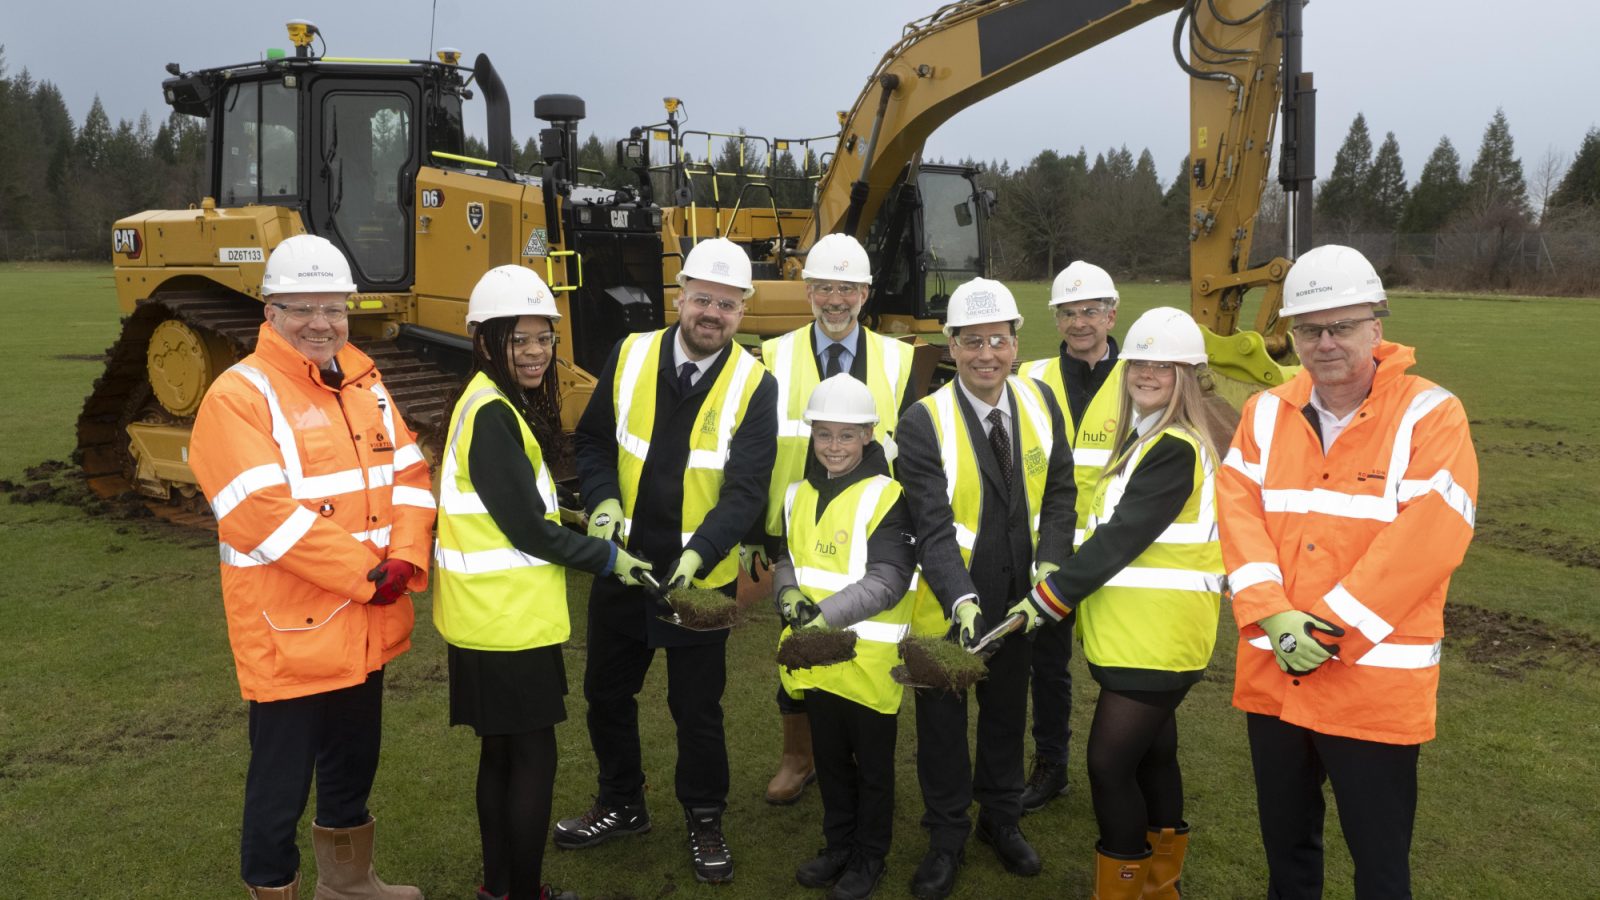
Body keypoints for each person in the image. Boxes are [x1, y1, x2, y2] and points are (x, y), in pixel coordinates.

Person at [1219, 245, 1478, 899]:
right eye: (1309, 329)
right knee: (1288, 857)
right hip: (1276, 677)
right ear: (1293, 336)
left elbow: (1429, 538)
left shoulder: (1431, 414)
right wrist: (1273, 613)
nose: (1325, 342)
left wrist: (1326, 630)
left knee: (1381, 867)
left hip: (1373, 692)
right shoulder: (1266, 412)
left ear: (1377, 327)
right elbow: (1239, 513)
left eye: (1341, 326)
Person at [189, 234, 435, 900]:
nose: (320, 323)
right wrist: (367, 574)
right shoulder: (238, 396)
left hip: (365, 622)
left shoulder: (365, 381)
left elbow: (409, 473)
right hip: (290, 631)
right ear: (270, 314)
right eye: (302, 308)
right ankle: (273, 888)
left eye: (333, 307)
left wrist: (408, 556)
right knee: (280, 785)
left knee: (353, 765)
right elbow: (262, 516)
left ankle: (348, 884)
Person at [553, 237, 779, 885]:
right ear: (680, 296)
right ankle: (622, 803)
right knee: (605, 694)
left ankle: (704, 816)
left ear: (742, 311)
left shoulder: (755, 386)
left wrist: (699, 555)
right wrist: (599, 504)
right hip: (622, 570)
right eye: (703, 298)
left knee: (697, 710)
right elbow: (593, 441)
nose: (712, 313)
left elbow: (745, 490)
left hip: (697, 585)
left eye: (727, 304)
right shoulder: (629, 353)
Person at [433, 266, 653, 900]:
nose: (534, 353)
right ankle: (522, 893)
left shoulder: (487, 400)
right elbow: (527, 531)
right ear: (484, 340)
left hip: (486, 621)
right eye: (518, 339)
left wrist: (579, 516)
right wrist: (610, 560)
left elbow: (514, 507)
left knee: (500, 758)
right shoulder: (494, 414)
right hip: (507, 626)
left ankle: (499, 890)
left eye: (543, 339)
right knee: (529, 762)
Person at [1016, 307, 1237, 898]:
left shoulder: (1174, 449)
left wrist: (1050, 596)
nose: (1146, 373)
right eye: (1139, 363)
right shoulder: (1148, 439)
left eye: (1162, 366)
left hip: (1157, 641)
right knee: (1153, 755)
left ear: (1187, 375)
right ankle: (1161, 886)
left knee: (1109, 765)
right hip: (1142, 637)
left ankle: (1127, 887)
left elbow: (1121, 537)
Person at [894, 278, 1076, 900]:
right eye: (972, 342)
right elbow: (932, 526)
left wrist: (1051, 565)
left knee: (1005, 717)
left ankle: (1001, 820)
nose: (986, 355)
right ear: (951, 344)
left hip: (1022, 603)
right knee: (942, 728)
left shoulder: (1042, 403)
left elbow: (1059, 496)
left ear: (1016, 343)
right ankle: (946, 835)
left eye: (997, 340)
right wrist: (963, 601)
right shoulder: (923, 420)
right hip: (949, 607)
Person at [759, 233, 918, 806]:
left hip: (870, 521)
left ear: (865, 293)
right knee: (794, 635)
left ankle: (850, 748)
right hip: (797, 516)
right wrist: (766, 525)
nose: (835, 298)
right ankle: (798, 758)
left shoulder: (899, 359)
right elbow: (760, 443)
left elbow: (910, 446)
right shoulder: (774, 354)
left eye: (847, 287)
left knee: (859, 635)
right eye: (824, 286)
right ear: (807, 291)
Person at [773, 374, 917, 900]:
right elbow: (788, 557)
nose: (834, 446)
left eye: (847, 436)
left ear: (870, 436)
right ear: (812, 435)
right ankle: (838, 845)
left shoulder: (888, 495)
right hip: (818, 661)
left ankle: (869, 856)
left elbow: (888, 579)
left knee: (873, 770)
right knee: (830, 761)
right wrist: (786, 595)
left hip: (869, 663)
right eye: (824, 434)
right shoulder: (797, 493)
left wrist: (819, 618)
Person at [1015, 260, 1126, 814]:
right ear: (1056, 318)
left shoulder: (1144, 373)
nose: (1080, 322)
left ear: (1112, 313)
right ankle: (1051, 766)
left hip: (1124, 551)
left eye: (1090, 311)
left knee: (1121, 665)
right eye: (1069, 312)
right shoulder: (1031, 378)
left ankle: (1126, 764)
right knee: (1047, 665)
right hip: (1052, 548)